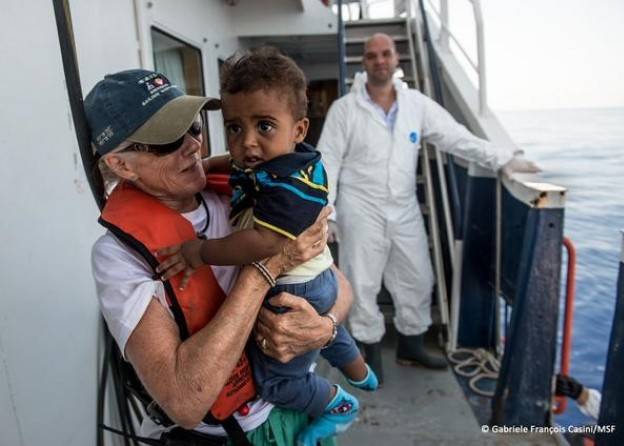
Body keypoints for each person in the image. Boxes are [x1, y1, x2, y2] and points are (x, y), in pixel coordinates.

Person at [88, 68, 352, 446]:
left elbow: (341, 288)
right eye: (167, 142)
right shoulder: (119, 257)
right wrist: (268, 264)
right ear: (122, 165)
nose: (193, 146)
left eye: (193, 127)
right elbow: (185, 400)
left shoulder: (250, 190)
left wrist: (324, 328)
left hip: (295, 405)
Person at [155, 48, 377, 446]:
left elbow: (263, 243)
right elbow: (235, 161)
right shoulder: (279, 161)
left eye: (264, 126)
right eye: (235, 127)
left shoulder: (287, 186)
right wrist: (205, 168)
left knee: (275, 382)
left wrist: (200, 252)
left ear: (300, 129)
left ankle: (336, 404)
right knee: (325, 326)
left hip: (294, 286)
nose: (248, 143)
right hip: (318, 276)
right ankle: (359, 369)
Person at [317, 33, 540, 382]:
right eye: (372, 55)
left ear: (396, 60)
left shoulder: (416, 105)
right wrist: (327, 211)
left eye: (386, 53)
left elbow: (456, 136)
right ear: (364, 62)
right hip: (361, 208)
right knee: (362, 284)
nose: (380, 60)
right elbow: (327, 160)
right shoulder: (345, 109)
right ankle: (370, 351)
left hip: (403, 208)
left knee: (418, 279)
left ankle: (411, 345)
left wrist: (503, 159)